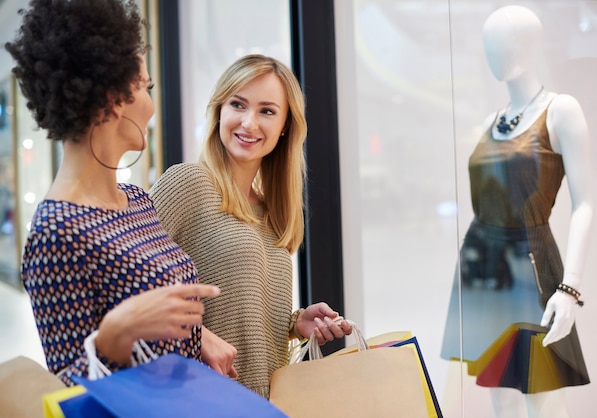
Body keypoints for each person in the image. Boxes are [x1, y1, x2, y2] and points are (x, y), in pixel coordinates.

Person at [5, 0, 235, 386]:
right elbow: (67, 392)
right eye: (146, 88)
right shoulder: (56, 233)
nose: (150, 105)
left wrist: (198, 337)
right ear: (113, 99)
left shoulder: (138, 201)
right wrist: (113, 339)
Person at [150, 54, 353, 398]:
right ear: (219, 111)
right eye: (238, 105)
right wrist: (195, 335)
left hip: (264, 402)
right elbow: (126, 285)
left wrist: (295, 323)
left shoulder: (272, 212)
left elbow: (240, 309)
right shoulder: (187, 183)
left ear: (286, 124)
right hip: (202, 398)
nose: (249, 122)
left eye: (267, 111)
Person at [440, 6, 593, 418]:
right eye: (487, 45)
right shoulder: (492, 120)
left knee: (542, 393)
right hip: (484, 266)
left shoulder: (561, 111)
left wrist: (571, 289)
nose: (492, 54)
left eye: (502, 43)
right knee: (501, 392)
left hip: (530, 262)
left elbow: (585, 204)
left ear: (531, 44)